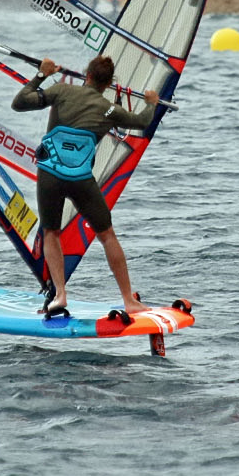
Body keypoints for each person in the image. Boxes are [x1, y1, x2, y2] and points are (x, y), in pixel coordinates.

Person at [11, 54, 159, 317]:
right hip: (81, 180)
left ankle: (60, 295)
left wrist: (42, 75)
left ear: (87, 75)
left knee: (51, 233)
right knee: (107, 236)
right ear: (109, 83)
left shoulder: (62, 90)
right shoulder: (109, 109)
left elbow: (19, 103)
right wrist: (151, 103)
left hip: (50, 176)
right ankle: (129, 300)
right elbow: (143, 122)